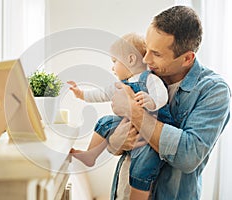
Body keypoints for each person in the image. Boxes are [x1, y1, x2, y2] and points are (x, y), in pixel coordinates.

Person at [108, 5, 231, 200]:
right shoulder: (143, 77)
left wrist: (134, 111)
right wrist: (115, 142)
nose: (146, 59)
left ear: (187, 58)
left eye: (156, 54)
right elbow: (114, 145)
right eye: (146, 48)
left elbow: (188, 155)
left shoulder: (214, 90)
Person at [68, 32, 174, 200]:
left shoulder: (150, 79)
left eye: (114, 61)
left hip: (153, 130)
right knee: (104, 122)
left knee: (142, 167)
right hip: (130, 125)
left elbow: (162, 95)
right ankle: (91, 155)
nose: (112, 67)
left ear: (131, 60)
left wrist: (151, 101)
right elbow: (101, 94)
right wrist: (81, 94)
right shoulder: (119, 84)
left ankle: (137, 196)